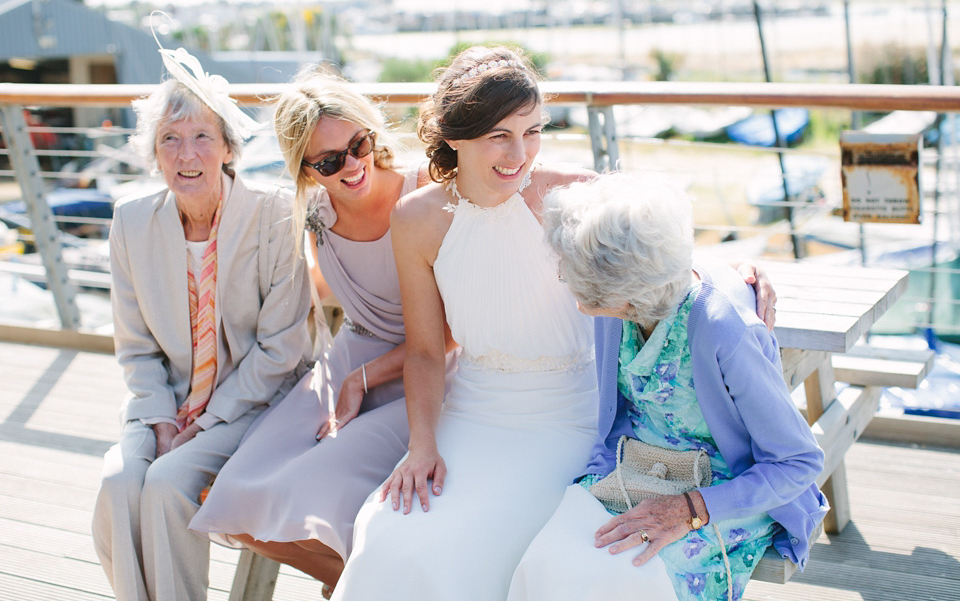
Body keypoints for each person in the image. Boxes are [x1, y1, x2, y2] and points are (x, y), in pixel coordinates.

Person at [331, 46, 778, 601]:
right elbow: (425, 351)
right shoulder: (415, 219)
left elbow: (656, 256)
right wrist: (422, 444)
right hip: (473, 411)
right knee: (393, 542)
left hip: (575, 414)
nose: (519, 154)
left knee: (485, 545)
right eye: (499, 135)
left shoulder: (574, 193)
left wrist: (735, 271)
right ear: (454, 136)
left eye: (533, 131)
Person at [188, 68, 458, 593]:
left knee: (317, 486)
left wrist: (362, 378)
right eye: (330, 161)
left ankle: (358, 584)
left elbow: (451, 333)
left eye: (358, 144)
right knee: (230, 492)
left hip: (427, 368)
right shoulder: (314, 213)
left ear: (369, 130)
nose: (352, 165)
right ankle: (354, 584)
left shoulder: (425, 191)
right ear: (307, 170)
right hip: (349, 357)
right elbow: (320, 285)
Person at [508, 173, 828, 601]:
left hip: (721, 492)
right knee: (547, 563)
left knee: (625, 585)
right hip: (632, 470)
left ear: (625, 292)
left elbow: (798, 463)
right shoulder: (615, 310)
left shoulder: (723, 331)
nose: (562, 277)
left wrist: (691, 509)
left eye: (570, 269)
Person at [91, 46, 313, 601]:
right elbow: (136, 348)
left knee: (167, 485)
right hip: (167, 403)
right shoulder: (131, 222)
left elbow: (281, 349)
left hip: (257, 402)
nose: (186, 154)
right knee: (119, 483)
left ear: (229, 148)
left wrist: (206, 420)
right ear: (153, 153)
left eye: (201, 137)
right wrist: (162, 419)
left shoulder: (275, 214)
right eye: (170, 138)